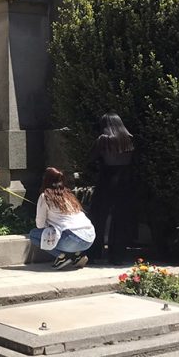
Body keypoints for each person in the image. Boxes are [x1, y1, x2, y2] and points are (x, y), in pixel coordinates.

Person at [88, 112, 136, 264]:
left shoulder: (104, 139)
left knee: (98, 217)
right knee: (120, 218)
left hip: (107, 179)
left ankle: (95, 252)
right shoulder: (129, 139)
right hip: (125, 181)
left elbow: (90, 159)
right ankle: (117, 255)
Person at [29, 167, 95, 269]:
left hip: (72, 239)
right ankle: (77, 255)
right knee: (61, 233)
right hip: (89, 238)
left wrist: (49, 224)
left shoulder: (44, 196)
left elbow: (40, 225)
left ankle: (62, 256)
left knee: (34, 235)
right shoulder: (69, 194)